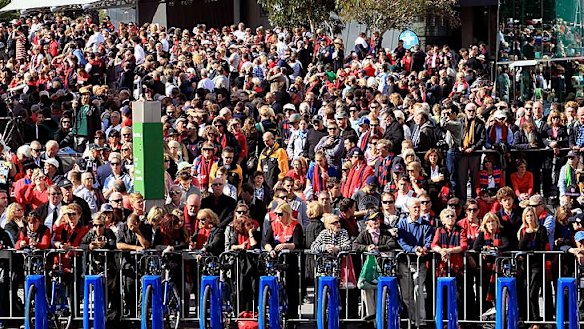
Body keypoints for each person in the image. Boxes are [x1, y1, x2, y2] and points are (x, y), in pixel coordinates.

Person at [352, 211, 397, 320]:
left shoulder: (385, 233)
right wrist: (367, 248)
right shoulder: (364, 234)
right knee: (367, 292)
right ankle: (371, 317)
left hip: (382, 268)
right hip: (368, 268)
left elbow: (391, 244)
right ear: (367, 222)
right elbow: (355, 245)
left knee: (380, 292)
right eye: (373, 219)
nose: (376, 221)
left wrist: (378, 248)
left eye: (377, 218)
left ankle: (380, 318)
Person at [397, 198, 434, 327]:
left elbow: (429, 241)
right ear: (408, 209)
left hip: (420, 262)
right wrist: (412, 249)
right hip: (404, 262)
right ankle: (412, 319)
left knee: (418, 291)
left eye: (419, 207)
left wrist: (424, 248)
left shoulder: (426, 224)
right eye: (415, 207)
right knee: (407, 295)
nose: (418, 209)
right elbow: (401, 241)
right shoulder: (402, 223)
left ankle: (421, 321)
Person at [262, 202, 303, 318]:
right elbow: (265, 241)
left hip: (290, 260)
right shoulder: (274, 224)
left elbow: (298, 243)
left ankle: (292, 316)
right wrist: (270, 250)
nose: (278, 217)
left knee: (291, 289)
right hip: (276, 260)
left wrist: (285, 245)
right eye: (276, 214)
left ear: (287, 214)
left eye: (280, 214)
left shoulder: (295, 225)